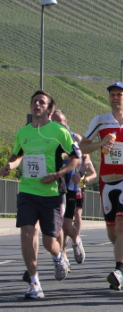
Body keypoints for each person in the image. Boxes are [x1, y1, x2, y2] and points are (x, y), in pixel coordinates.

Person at [0, 90, 79, 299]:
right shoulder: (22, 132)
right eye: (34, 101)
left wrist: (59, 174)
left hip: (51, 193)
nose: (37, 104)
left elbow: (75, 158)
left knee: (48, 242)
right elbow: (17, 155)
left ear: (49, 109)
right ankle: (34, 283)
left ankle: (58, 255)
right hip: (27, 191)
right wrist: (9, 165)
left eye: (42, 102)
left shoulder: (59, 132)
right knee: (27, 233)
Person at [80, 82, 123, 291]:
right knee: (112, 232)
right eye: (112, 94)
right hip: (107, 181)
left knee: (122, 224)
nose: (115, 97)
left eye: (120, 94)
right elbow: (82, 146)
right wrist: (100, 144)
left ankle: (119, 270)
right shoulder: (100, 121)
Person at [51, 110, 96, 268]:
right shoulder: (48, 139)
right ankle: (63, 255)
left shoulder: (74, 138)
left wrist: (81, 173)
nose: (57, 125)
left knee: (66, 224)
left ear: (66, 122)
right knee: (58, 224)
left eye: (60, 122)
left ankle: (76, 240)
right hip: (54, 185)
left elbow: (85, 160)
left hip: (70, 185)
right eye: (54, 122)